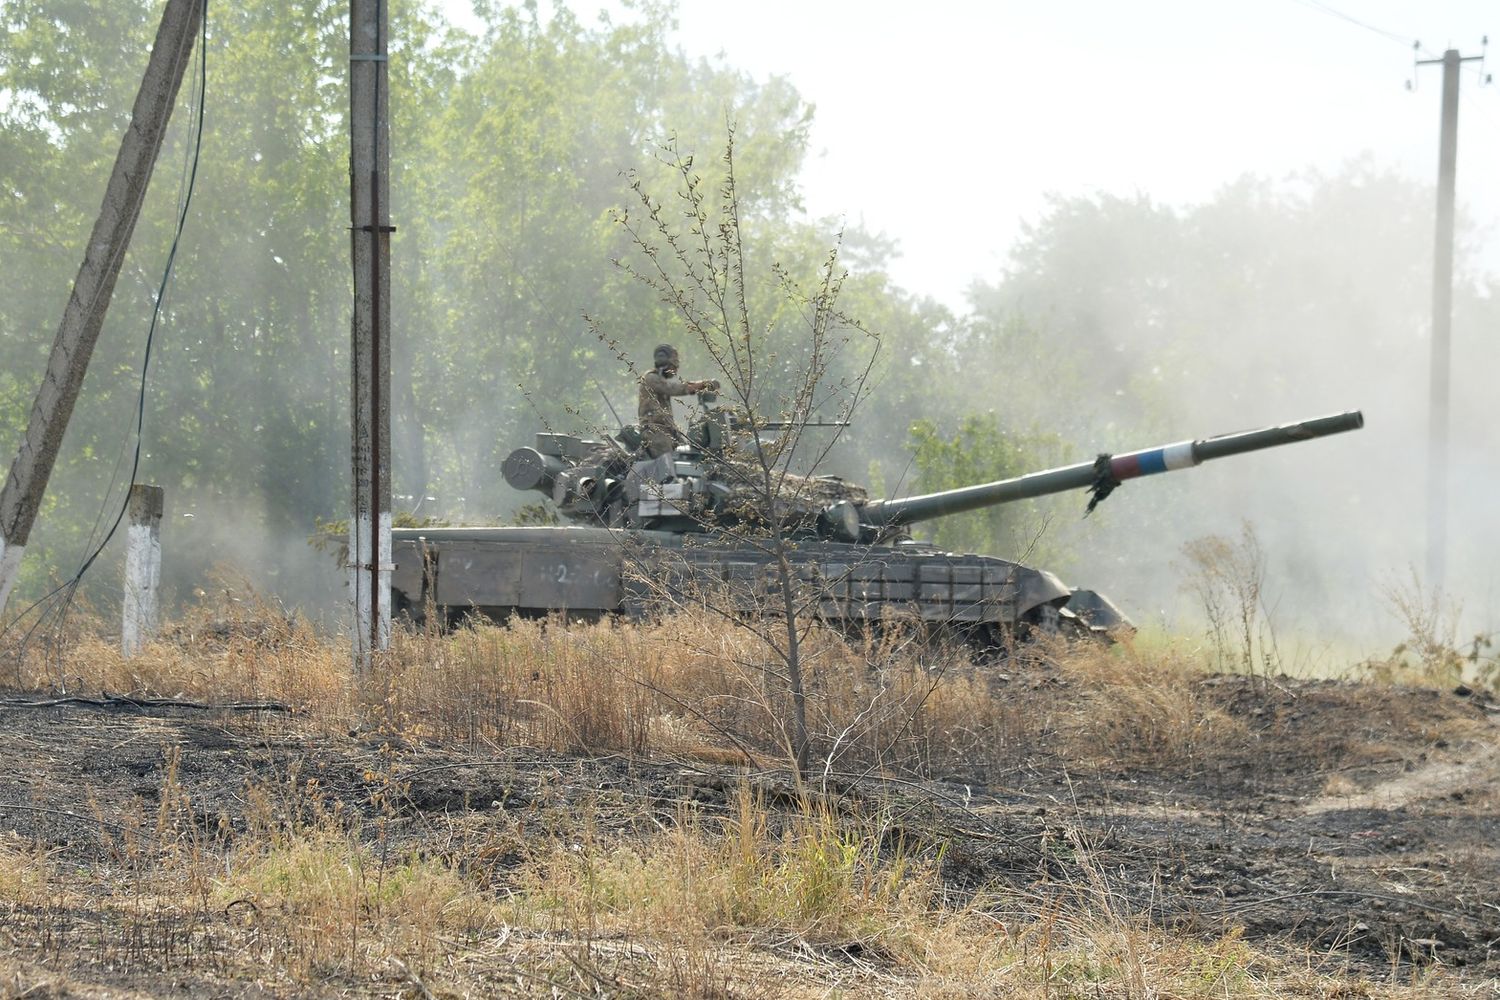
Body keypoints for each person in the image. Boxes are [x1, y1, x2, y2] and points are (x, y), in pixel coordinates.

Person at [637, 344, 718, 458]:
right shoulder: (651, 378)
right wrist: (703, 384)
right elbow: (674, 388)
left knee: (690, 453)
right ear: (663, 360)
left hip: (668, 429)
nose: (676, 367)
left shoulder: (659, 379)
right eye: (674, 363)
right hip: (655, 431)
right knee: (668, 463)